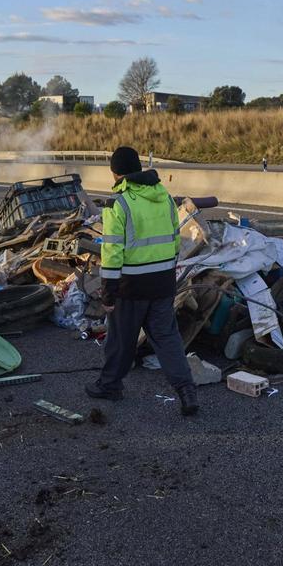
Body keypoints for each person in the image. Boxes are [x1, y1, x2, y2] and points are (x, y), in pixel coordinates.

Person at [86, 146, 198, 416]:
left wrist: (109, 292)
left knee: (121, 339)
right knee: (167, 338)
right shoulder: (164, 197)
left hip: (131, 286)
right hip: (163, 283)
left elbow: (112, 251)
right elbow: (175, 241)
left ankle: (110, 385)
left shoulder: (119, 203)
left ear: (115, 173)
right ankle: (187, 391)